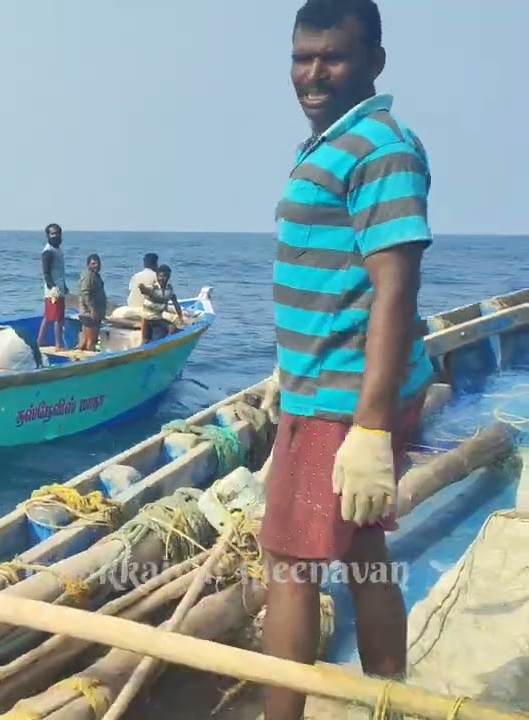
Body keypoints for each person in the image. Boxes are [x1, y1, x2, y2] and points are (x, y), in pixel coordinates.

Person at [261, 2, 434, 718]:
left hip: (340, 402)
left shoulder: (379, 149)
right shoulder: (333, 144)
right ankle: (391, 698)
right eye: (302, 57)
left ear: (374, 63)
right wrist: (287, 367)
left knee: (289, 568)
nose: (314, 73)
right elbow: (339, 277)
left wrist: (368, 427)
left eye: (333, 57)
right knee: (363, 552)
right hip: (320, 385)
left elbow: (396, 288)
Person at [36, 223, 68, 349]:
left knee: (49, 316)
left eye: (57, 233)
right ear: (48, 235)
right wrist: (52, 286)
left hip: (59, 286)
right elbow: (46, 272)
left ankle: (40, 340)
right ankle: (59, 344)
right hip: (53, 290)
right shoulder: (48, 251)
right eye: (52, 233)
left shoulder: (58, 249)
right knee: (58, 317)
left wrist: (64, 285)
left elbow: (60, 271)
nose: (55, 236)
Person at [138, 264, 183, 343]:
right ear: (157, 276)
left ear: (169, 277)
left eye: (165, 276)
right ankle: (158, 344)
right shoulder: (153, 288)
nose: (163, 279)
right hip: (147, 320)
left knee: (173, 329)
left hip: (157, 319)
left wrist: (180, 318)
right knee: (168, 330)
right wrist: (142, 288)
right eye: (161, 276)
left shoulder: (169, 290)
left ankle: (165, 343)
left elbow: (176, 303)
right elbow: (146, 291)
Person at [76, 253, 106, 351]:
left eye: (97, 263)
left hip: (88, 313)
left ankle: (79, 357)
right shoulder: (88, 275)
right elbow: (85, 293)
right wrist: (92, 309)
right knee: (92, 341)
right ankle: (90, 358)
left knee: (85, 340)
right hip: (89, 313)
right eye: (93, 264)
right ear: (88, 264)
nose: (96, 266)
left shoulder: (94, 275)